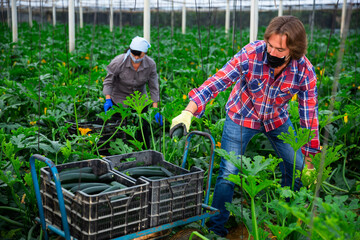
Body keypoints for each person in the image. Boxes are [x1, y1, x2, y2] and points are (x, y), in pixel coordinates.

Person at [170, 15, 320, 237]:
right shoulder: (252, 54)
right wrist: (188, 111)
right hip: (242, 115)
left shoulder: (304, 71)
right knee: (228, 172)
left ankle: (287, 217)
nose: (272, 52)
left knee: (296, 167)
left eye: (280, 50)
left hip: (277, 119)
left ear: (294, 51)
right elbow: (217, 81)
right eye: (270, 45)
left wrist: (310, 160)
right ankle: (216, 228)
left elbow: (309, 117)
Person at [103, 36, 162, 149]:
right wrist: (108, 99)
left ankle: (144, 152)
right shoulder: (118, 62)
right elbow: (109, 81)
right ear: (130, 50)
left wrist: (155, 108)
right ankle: (117, 151)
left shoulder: (150, 65)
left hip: (139, 99)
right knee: (117, 128)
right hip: (119, 98)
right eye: (133, 53)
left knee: (143, 127)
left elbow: (153, 87)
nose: (135, 57)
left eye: (138, 55)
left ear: (144, 53)